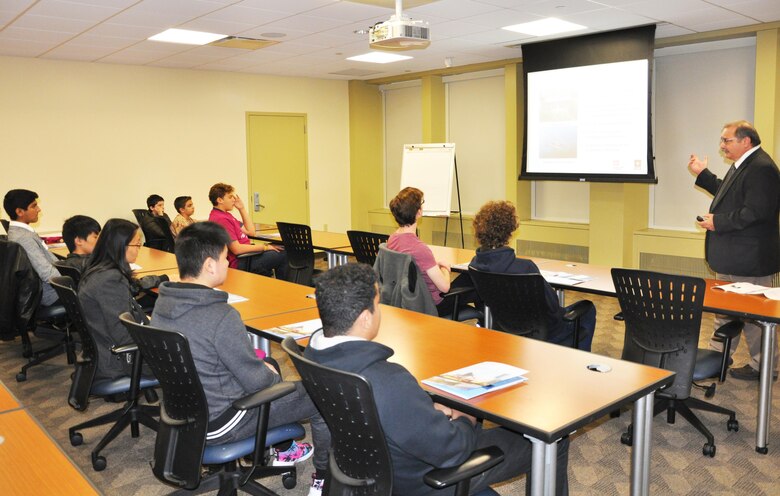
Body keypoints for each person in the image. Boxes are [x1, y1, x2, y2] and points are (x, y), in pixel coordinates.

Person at [305, 263, 570, 495]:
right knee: (551, 442)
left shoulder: (314, 357)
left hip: (372, 470)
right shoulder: (387, 380)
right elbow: (452, 450)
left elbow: (390, 415)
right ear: (364, 318)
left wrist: (426, 409)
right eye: (378, 305)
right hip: (424, 482)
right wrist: (466, 415)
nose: (380, 311)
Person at [151, 222, 329, 495]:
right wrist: (268, 370)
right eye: (225, 258)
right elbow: (258, 382)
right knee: (320, 393)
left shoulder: (163, 304)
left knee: (269, 371)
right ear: (210, 265)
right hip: (223, 420)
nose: (228, 264)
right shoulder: (221, 316)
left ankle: (282, 449)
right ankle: (324, 475)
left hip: (183, 417)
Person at [688, 120, 780, 381]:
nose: (722, 146)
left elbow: (756, 211)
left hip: (750, 259)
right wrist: (702, 174)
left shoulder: (762, 168)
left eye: (727, 141)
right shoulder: (745, 165)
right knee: (724, 311)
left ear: (745, 141)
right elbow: (729, 195)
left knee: (755, 319)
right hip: (733, 256)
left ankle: (764, 368)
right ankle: (717, 358)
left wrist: (718, 222)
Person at [469, 201, 596, 351]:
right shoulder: (525, 267)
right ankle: (579, 363)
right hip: (544, 331)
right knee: (588, 309)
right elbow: (552, 306)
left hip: (505, 327)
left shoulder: (475, 264)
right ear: (509, 231)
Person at [78, 219, 168, 381]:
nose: (139, 249)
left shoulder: (99, 269)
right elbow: (123, 334)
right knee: (189, 351)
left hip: (104, 349)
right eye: (137, 245)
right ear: (120, 246)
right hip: (118, 360)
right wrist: (159, 339)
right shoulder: (110, 279)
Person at [386, 187, 473, 317]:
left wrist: (433, 264)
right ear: (418, 212)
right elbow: (444, 287)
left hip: (408, 300)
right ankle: (489, 326)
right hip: (432, 305)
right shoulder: (420, 249)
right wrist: (445, 268)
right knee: (476, 280)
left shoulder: (392, 239)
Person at [207, 182, 287, 279]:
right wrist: (265, 247)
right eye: (230, 197)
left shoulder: (225, 215)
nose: (234, 200)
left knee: (281, 248)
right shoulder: (221, 219)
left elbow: (250, 232)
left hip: (247, 256)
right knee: (284, 254)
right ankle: (287, 289)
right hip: (240, 261)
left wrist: (242, 208)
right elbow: (237, 249)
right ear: (220, 200)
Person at [3, 189, 61, 306]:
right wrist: (75, 277)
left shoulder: (18, 232)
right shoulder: (24, 238)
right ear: (19, 211)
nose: (39, 209)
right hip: (52, 294)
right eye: (34, 206)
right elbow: (47, 274)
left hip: (50, 289)